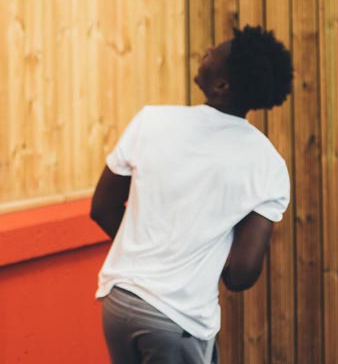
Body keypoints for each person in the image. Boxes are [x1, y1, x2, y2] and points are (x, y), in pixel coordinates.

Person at [90, 24, 293, 364]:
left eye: (216, 51)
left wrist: (147, 259)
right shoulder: (268, 164)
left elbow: (102, 208)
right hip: (177, 320)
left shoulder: (151, 122)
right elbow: (241, 274)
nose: (207, 49)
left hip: (119, 304)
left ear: (222, 86)